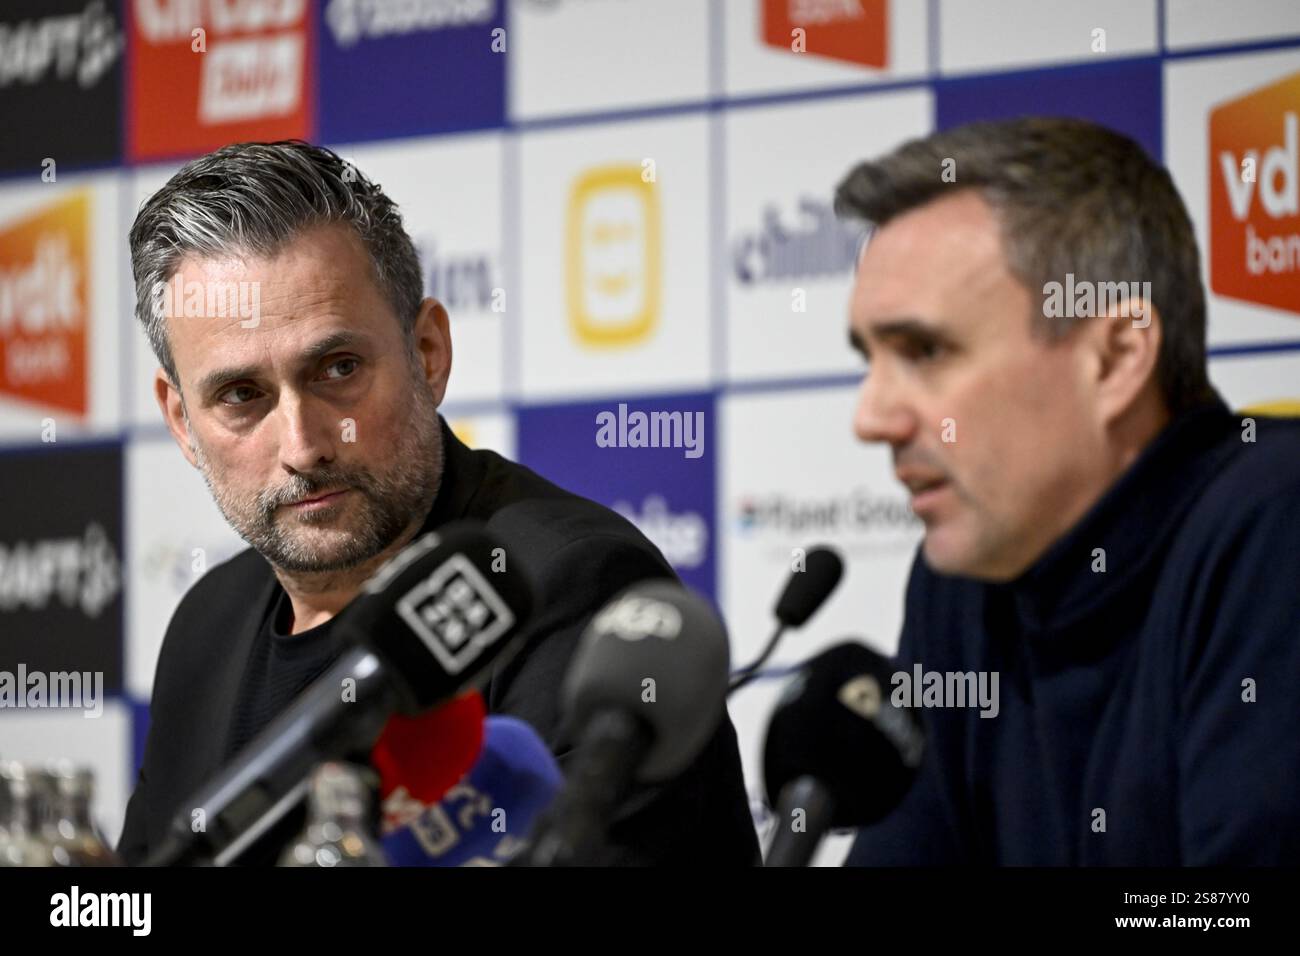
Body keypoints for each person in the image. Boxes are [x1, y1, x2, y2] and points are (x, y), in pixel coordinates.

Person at [117, 140, 758, 866]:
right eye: (241, 396)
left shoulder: (565, 587)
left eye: (338, 369)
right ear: (181, 422)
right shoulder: (209, 621)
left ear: (427, 352)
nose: (303, 445)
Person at [838, 117, 1300, 864]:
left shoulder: (1273, 524)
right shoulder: (965, 579)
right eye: (869, 358)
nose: (870, 419)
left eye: (924, 350)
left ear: (1115, 359)